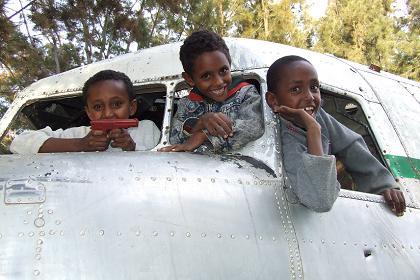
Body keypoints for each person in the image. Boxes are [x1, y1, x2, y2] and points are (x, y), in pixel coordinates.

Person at [265, 55, 405, 216]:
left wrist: (383, 184)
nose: (310, 97)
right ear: (273, 100)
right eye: (296, 90)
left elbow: (351, 145)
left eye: (314, 87)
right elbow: (320, 200)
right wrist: (313, 129)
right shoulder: (283, 137)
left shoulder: (320, 117)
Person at [159, 30, 263, 153]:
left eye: (223, 70)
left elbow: (254, 127)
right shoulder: (186, 105)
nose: (218, 82)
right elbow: (174, 142)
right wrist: (199, 123)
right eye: (206, 76)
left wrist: (204, 136)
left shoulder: (245, 93)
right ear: (190, 79)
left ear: (229, 65)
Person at [10, 70, 160, 153]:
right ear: (88, 113)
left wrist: (132, 148)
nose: (108, 114)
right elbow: (19, 142)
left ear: (132, 107)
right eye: (98, 107)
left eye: (116, 104)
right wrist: (80, 144)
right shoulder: (78, 133)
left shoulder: (146, 128)